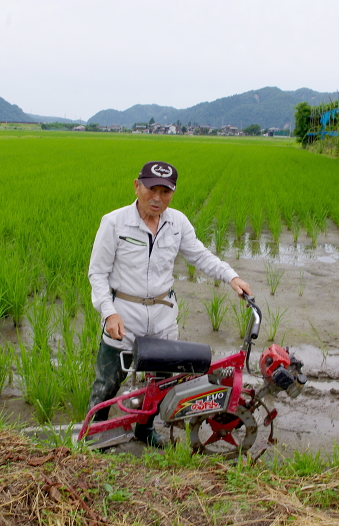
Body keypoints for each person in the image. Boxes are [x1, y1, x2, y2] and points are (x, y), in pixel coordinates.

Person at [87, 161, 252, 447]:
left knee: (160, 384)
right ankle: (92, 435)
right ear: (137, 186)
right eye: (152, 189)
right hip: (124, 318)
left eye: (166, 191)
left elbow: (199, 255)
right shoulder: (114, 222)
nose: (158, 198)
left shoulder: (177, 222)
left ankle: (144, 431)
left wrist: (231, 276)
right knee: (107, 383)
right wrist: (108, 312)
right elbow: (97, 273)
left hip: (162, 319)